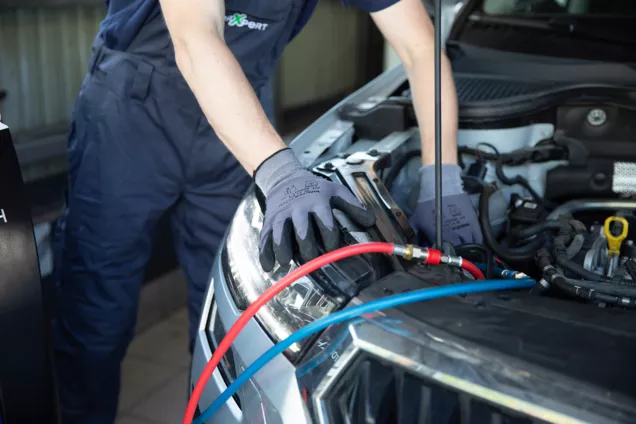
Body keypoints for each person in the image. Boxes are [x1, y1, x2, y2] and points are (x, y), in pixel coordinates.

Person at [52, 0, 482, 422]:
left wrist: (441, 180)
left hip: (234, 130)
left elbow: (421, 47)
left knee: (231, 313)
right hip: (131, 117)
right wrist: (280, 173)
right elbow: (195, 35)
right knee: (96, 311)